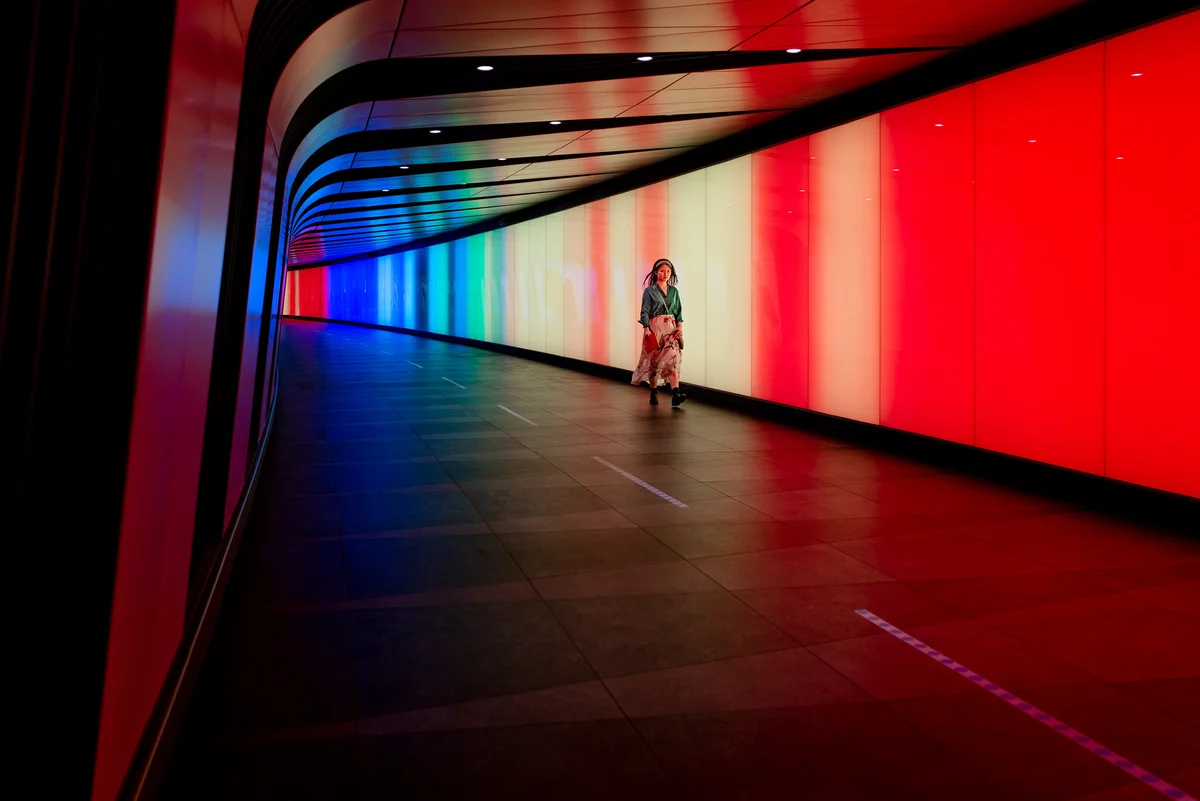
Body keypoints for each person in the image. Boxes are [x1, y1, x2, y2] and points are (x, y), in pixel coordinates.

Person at [631, 258, 686, 407]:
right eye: (662, 271)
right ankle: (654, 391)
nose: (665, 274)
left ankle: (675, 393)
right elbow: (645, 311)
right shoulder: (650, 291)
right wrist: (646, 328)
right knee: (654, 362)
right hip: (655, 329)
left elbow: (678, 312)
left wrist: (679, 327)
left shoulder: (674, 291)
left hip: (671, 330)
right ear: (656, 272)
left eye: (668, 271)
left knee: (672, 360)